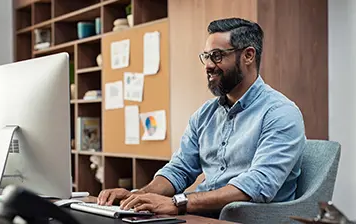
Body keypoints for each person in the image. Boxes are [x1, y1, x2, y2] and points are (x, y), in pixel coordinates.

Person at [97, 17, 306, 217]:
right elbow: (180, 169)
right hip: (201, 215)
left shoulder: (280, 113)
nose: (208, 65)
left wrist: (178, 203)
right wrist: (139, 196)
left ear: (248, 56)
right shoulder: (205, 114)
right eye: (206, 56)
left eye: (217, 56)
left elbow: (258, 185)